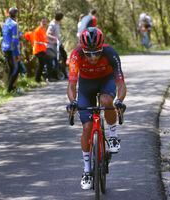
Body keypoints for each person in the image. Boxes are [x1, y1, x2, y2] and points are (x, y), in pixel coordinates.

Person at [67, 27, 127, 190]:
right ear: (82, 49)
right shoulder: (76, 55)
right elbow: (72, 84)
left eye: (97, 52)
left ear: (102, 47)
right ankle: (87, 170)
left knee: (107, 100)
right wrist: (73, 101)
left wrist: (119, 100)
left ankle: (113, 135)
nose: (93, 57)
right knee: (87, 128)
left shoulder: (110, 53)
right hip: (86, 86)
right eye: (89, 53)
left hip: (105, 81)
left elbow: (121, 83)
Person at [1, 7, 21, 92]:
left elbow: (7, 35)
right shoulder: (14, 24)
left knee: (11, 68)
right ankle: (9, 89)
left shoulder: (6, 22)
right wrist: (17, 54)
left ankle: (11, 87)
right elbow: (15, 40)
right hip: (11, 49)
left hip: (4, 48)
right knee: (16, 69)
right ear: (16, 14)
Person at [46, 12, 67, 78]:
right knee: (55, 60)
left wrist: (61, 43)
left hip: (58, 44)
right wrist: (55, 38)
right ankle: (55, 75)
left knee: (64, 56)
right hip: (52, 46)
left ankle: (63, 74)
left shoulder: (57, 24)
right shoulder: (52, 24)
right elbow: (47, 34)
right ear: (59, 18)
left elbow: (58, 35)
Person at [32, 17, 52, 82]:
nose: (44, 23)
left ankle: (39, 79)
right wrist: (43, 43)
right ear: (40, 22)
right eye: (43, 21)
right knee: (42, 64)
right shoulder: (37, 30)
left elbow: (44, 39)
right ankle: (38, 79)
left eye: (45, 22)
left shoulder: (43, 30)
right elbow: (35, 41)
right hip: (38, 50)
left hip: (43, 50)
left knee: (42, 64)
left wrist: (47, 42)